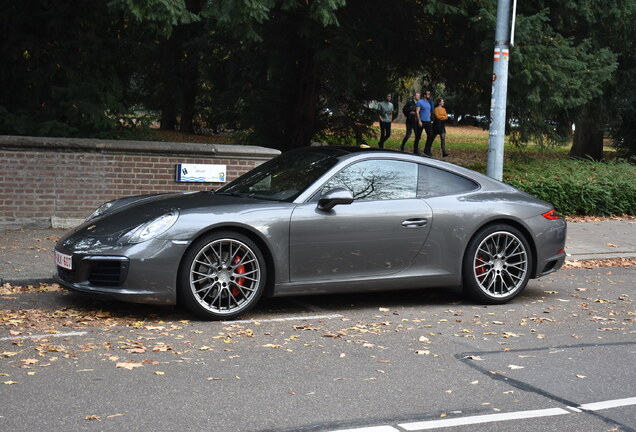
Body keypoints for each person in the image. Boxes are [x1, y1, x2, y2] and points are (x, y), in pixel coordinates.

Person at [414, 90, 434, 156]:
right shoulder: (420, 102)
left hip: (428, 121)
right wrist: (419, 121)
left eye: (429, 94)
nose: (429, 95)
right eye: (428, 94)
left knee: (430, 135)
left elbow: (429, 112)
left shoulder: (429, 103)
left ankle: (427, 150)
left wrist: (430, 119)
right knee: (418, 136)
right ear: (424, 95)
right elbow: (417, 111)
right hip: (421, 121)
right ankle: (415, 149)